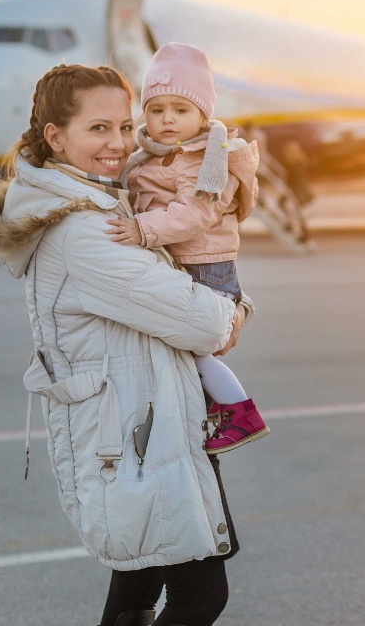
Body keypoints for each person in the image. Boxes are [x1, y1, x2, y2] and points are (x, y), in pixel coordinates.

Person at [0, 64, 249, 626]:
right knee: (199, 596)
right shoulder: (84, 232)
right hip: (136, 441)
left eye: (125, 126)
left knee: (136, 596)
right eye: (99, 129)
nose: (119, 144)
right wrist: (234, 310)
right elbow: (207, 325)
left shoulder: (101, 206)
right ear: (56, 137)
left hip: (141, 430)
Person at [106, 43, 269, 454]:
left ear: (202, 115)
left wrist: (141, 229)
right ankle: (213, 403)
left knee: (191, 348)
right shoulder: (154, 155)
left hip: (203, 265)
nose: (166, 120)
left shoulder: (203, 159)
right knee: (181, 352)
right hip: (183, 262)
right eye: (157, 109)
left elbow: (193, 214)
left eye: (180, 110)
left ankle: (240, 410)